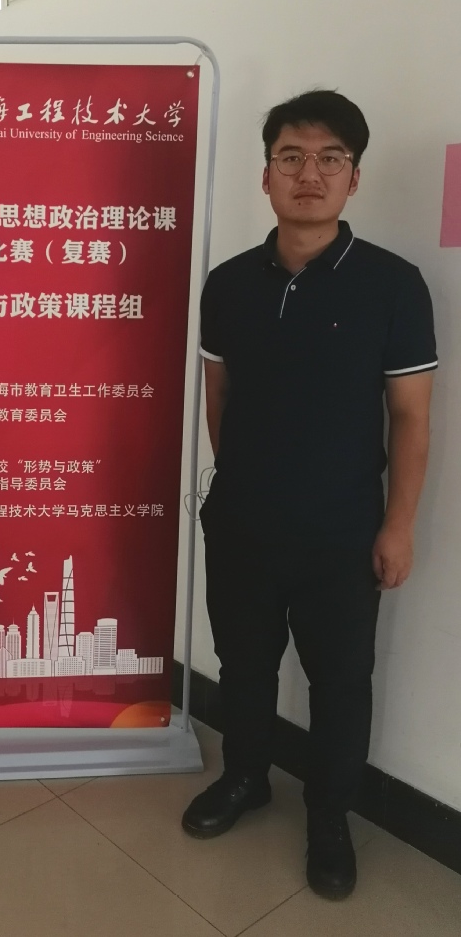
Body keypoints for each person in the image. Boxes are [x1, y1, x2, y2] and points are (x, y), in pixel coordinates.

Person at [181, 91, 436, 899]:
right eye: (290, 157)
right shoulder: (226, 284)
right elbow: (218, 399)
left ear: (353, 179)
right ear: (265, 176)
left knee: (339, 682)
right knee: (243, 665)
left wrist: (397, 527)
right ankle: (245, 778)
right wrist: (247, 481)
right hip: (241, 523)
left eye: (330, 159)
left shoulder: (393, 285)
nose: (308, 173)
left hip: (341, 531)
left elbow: (410, 419)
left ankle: (328, 818)